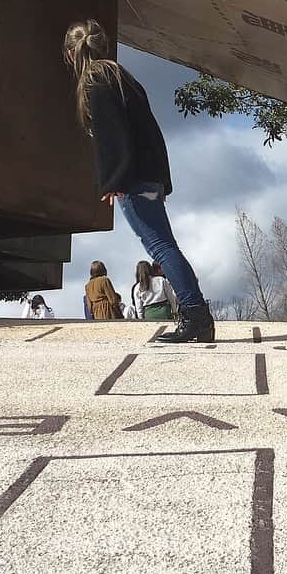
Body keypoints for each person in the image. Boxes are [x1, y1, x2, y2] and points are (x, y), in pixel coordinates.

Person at [63, 19, 214, 343]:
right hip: (149, 176)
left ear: (71, 54)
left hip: (133, 179)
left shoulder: (96, 82)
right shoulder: (123, 78)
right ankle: (196, 313)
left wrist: (112, 181)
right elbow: (151, 133)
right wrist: (163, 180)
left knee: (160, 247)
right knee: (164, 246)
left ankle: (195, 314)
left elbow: (112, 139)